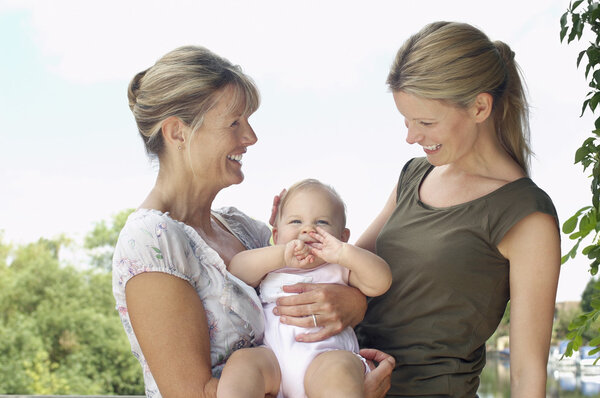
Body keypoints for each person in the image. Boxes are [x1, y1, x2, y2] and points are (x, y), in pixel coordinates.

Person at [111, 45, 394, 398]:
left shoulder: (246, 229)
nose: (251, 137)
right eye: (234, 122)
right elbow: (192, 393)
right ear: (177, 133)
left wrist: (352, 303)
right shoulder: (151, 241)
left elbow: (323, 279)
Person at [352, 22, 561, 397]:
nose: (411, 137)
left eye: (426, 122)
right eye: (407, 120)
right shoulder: (414, 176)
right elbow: (350, 269)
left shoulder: (526, 215)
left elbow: (527, 375)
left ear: (480, 106)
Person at [218, 179, 392, 398]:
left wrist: (344, 254)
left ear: (342, 237)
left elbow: (380, 281)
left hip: (326, 358)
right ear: (276, 234)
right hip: (273, 362)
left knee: (340, 372)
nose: (308, 229)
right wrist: (280, 254)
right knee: (243, 362)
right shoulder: (272, 264)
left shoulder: (340, 267)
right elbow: (238, 270)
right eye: (295, 221)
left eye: (322, 222)